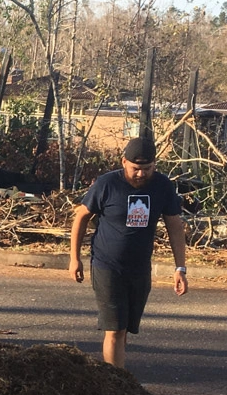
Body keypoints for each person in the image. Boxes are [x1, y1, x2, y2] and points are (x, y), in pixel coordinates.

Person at [69, 137, 188, 369]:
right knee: (114, 329)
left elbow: (175, 226)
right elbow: (81, 217)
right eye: (136, 168)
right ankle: (115, 384)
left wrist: (180, 268)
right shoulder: (107, 184)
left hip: (140, 268)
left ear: (155, 165)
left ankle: (117, 379)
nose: (141, 174)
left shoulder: (162, 186)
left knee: (125, 330)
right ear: (124, 162)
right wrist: (75, 258)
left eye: (147, 169)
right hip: (107, 265)